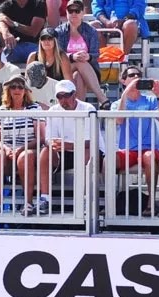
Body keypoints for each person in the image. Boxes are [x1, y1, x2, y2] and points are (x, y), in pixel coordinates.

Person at [110, 68, 159, 216]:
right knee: (108, 160)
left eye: (138, 75)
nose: (136, 77)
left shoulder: (150, 100)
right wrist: (125, 93)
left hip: (149, 148)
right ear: (123, 80)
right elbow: (119, 120)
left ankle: (151, 204)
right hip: (128, 149)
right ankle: (110, 204)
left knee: (149, 157)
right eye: (131, 75)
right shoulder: (117, 103)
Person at [34, 78, 96, 215]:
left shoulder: (88, 109)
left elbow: (91, 141)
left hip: (85, 151)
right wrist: (53, 144)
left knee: (86, 152)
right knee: (45, 152)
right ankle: (45, 199)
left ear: (74, 94)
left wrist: (66, 145)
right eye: (59, 97)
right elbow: (48, 139)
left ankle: (85, 199)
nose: (63, 100)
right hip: (64, 152)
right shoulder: (53, 110)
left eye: (66, 95)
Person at [0, 74, 43, 215]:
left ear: (25, 90)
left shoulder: (34, 108)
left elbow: (40, 138)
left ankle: (28, 203)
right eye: (13, 87)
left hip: (29, 149)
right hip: (7, 151)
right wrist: (6, 149)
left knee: (25, 156)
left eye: (20, 87)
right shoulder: (2, 110)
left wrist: (21, 149)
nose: (17, 90)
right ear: (8, 90)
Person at [56, 0, 110, 108]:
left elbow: (96, 54)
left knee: (79, 75)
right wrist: (72, 57)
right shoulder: (59, 31)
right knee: (80, 62)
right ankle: (103, 99)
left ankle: (77, 109)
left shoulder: (91, 31)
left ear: (83, 13)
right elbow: (57, 54)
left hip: (88, 71)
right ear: (66, 12)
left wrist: (88, 56)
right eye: (70, 11)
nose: (74, 13)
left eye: (77, 10)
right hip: (64, 69)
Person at [0, 0, 46, 66]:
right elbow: (1, 21)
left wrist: (13, 24)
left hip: (33, 46)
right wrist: (6, 33)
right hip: (13, 46)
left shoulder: (38, 4)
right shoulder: (7, 5)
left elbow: (34, 32)